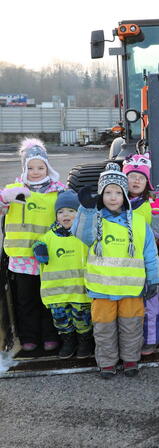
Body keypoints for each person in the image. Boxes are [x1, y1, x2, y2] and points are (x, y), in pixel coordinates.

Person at [72, 163, 159, 378]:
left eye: (118, 192)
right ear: (101, 195)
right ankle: (107, 362)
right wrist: (86, 209)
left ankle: (131, 360)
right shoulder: (95, 220)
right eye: (108, 192)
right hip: (101, 289)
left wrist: (154, 279)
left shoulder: (138, 222)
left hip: (131, 289)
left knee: (131, 326)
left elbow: (149, 253)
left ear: (125, 196)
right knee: (104, 329)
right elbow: (81, 235)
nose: (113, 197)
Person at [0, 138, 65, 352]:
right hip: (21, 260)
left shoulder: (58, 191)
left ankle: (50, 336)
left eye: (40, 167)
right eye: (30, 167)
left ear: (47, 167)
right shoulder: (14, 190)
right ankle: (28, 337)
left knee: (49, 300)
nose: (35, 171)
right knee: (25, 301)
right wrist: (5, 198)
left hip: (49, 259)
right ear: (24, 168)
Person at [32, 190, 93, 359]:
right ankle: (68, 342)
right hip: (56, 293)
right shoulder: (48, 237)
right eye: (60, 212)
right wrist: (38, 248)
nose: (65, 215)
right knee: (61, 322)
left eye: (71, 211)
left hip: (80, 292)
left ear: (78, 213)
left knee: (82, 321)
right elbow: (38, 244)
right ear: (56, 215)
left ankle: (84, 342)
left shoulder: (84, 235)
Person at [122, 153, 159, 356]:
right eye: (132, 176)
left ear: (147, 181)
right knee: (128, 308)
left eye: (141, 177)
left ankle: (150, 339)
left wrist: (158, 213)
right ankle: (130, 340)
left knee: (150, 305)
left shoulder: (151, 204)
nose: (136, 180)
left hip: (145, 263)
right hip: (121, 265)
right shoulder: (115, 203)